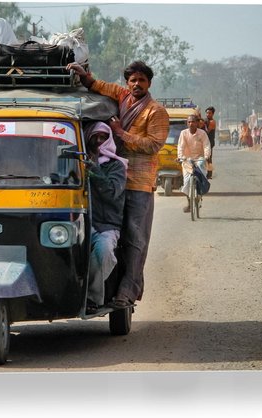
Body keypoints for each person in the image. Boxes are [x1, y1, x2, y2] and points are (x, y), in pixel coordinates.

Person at [66, 60, 169, 308]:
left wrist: (120, 133)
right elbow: (100, 86)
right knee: (107, 235)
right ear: (127, 83)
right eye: (132, 80)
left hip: (138, 183)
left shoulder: (156, 111)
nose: (136, 84)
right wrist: (84, 76)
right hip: (112, 176)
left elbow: (154, 144)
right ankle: (103, 289)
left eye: (141, 80)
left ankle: (127, 292)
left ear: (149, 84)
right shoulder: (122, 96)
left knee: (134, 240)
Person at [83, 122, 128, 313]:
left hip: (106, 226)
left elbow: (111, 192)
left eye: (103, 137)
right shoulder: (78, 162)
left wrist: (94, 170)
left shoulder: (116, 166)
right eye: (95, 137)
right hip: (80, 223)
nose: (99, 141)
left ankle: (90, 297)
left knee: (104, 252)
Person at [177, 115, 211, 212]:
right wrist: (180, 157)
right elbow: (180, 147)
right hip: (187, 160)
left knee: (201, 177)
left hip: (200, 159)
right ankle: (189, 203)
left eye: (193, 122)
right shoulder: (183, 133)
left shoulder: (202, 133)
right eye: (189, 122)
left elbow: (206, 146)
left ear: (197, 123)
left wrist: (206, 156)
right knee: (187, 182)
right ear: (187, 123)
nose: (191, 124)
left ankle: (199, 194)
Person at [204, 106, 216, 179]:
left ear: (213, 114)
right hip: (205, 142)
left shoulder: (212, 122)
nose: (208, 114)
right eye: (207, 113)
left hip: (209, 142)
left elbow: (207, 132)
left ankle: (209, 174)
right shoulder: (206, 121)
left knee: (208, 158)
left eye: (209, 113)